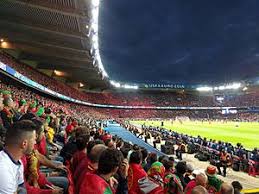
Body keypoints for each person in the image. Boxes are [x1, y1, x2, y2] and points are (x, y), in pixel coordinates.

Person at [0, 120, 37, 194]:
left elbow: (22, 189)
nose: (35, 143)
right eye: (34, 139)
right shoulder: (3, 170)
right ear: (24, 144)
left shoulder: (18, 161)